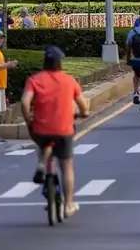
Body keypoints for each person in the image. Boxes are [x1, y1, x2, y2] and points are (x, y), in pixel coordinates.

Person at [20, 46, 89, 216]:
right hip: (64, 130)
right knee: (66, 165)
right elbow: (83, 105)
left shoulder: (34, 80)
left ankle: (43, 163)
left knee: (43, 142)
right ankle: (68, 205)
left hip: (40, 129)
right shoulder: (69, 81)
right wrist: (83, 113)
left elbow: (24, 102)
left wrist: (28, 118)